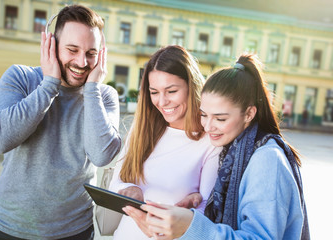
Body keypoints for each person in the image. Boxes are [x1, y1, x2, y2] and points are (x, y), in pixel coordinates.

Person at [124, 54, 310, 239]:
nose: (208, 126)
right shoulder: (234, 152)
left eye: (220, 118)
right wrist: (200, 202)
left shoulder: (267, 161)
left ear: (249, 114)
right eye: (204, 115)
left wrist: (190, 226)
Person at [0, 5, 121, 240]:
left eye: (91, 53)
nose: (82, 62)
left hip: (75, 231)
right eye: (72, 49)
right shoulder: (20, 77)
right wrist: (49, 85)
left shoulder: (103, 95)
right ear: (51, 45)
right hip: (12, 229)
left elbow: (101, 155)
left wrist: (92, 90)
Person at [108, 45, 221, 239]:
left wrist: (186, 212)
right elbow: (115, 183)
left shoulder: (210, 141)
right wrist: (128, 190)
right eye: (154, 92)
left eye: (171, 91)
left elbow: (205, 212)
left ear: (191, 86)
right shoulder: (142, 128)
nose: (162, 101)